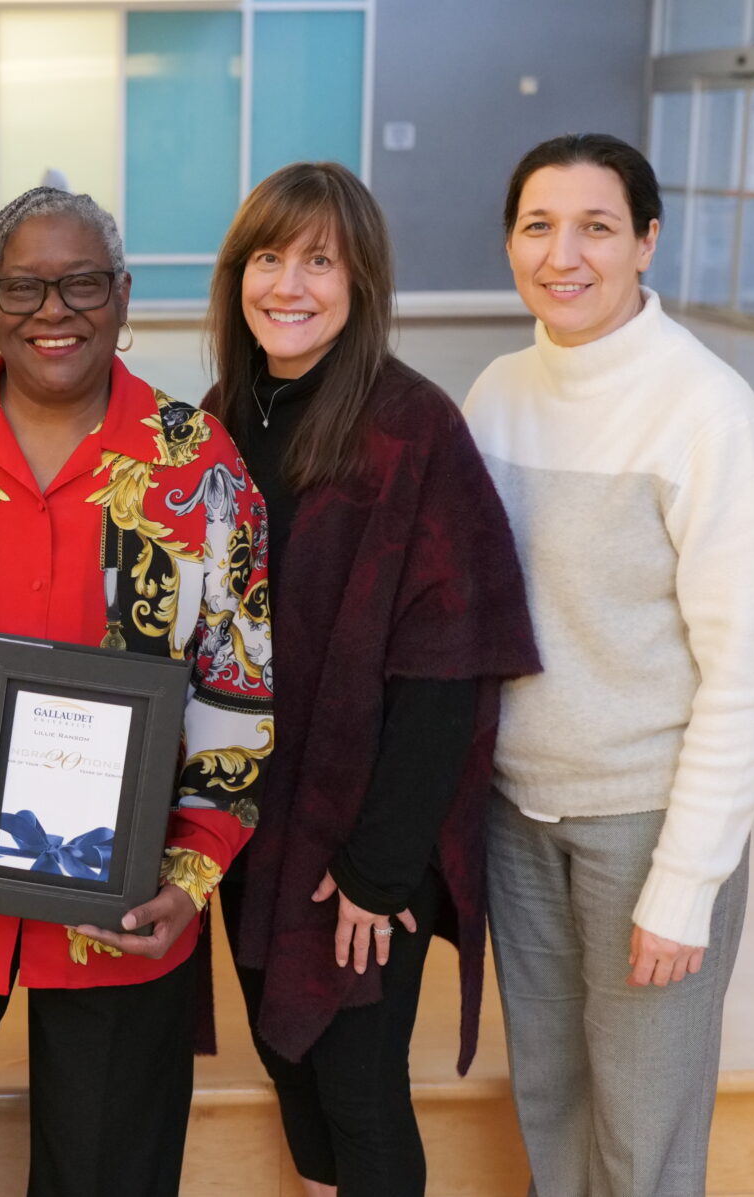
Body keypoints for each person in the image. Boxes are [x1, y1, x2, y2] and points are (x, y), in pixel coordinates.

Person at [0, 186, 275, 1197]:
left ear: (121, 297)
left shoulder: (197, 464)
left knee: (105, 1173)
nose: (53, 310)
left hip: (125, 898)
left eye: (80, 284)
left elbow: (237, 682)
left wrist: (194, 870)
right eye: (24, 286)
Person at [463, 133, 754, 1196]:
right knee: (551, 1105)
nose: (563, 254)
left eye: (596, 227)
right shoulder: (498, 392)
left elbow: (745, 676)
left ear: (646, 241)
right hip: (517, 815)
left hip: (645, 824)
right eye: (536, 226)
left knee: (641, 1140)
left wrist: (685, 881)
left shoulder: (703, 411)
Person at [210, 163, 541, 1197]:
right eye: (268, 258)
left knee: (355, 1085)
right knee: (289, 1070)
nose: (288, 284)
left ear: (361, 286)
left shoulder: (412, 430)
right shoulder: (225, 412)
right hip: (249, 818)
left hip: (358, 838)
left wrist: (379, 868)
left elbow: (447, 665)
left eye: (320, 261)